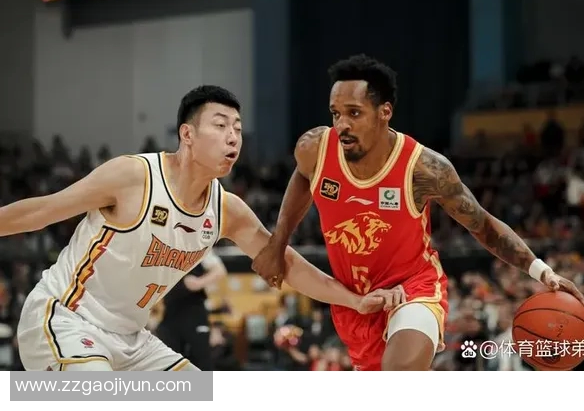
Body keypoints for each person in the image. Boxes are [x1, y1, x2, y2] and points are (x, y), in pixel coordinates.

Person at [1, 85, 404, 372]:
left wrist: (354, 300)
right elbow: (43, 210)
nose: (233, 137)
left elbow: (285, 264)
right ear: (188, 134)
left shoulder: (226, 210)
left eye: (238, 128)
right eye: (221, 125)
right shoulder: (133, 177)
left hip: (131, 340)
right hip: (66, 318)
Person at [251, 54, 584, 371]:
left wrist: (543, 272)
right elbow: (303, 176)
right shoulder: (315, 148)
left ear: (385, 111)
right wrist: (278, 243)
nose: (341, 125)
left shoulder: (424, 168)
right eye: (335, 113)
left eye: (354, 113)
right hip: (354, 300)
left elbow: (483, 225)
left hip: (414, 289)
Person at [154, 248, 227, 371]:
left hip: (195, 313)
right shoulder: (164, 248)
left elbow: (220, 270)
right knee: (169, 363)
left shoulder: (199, 246)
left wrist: (199, 282)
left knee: (201, 361)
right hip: (170, 313)